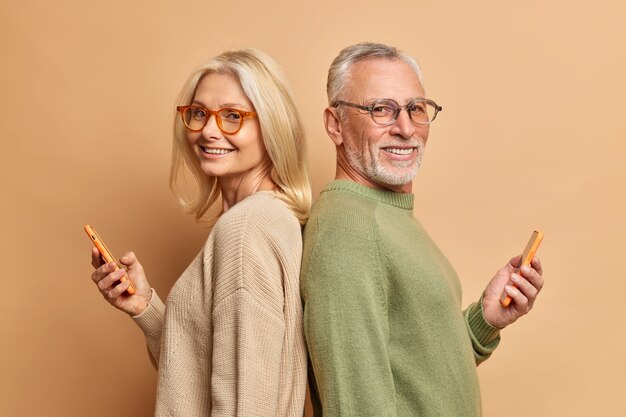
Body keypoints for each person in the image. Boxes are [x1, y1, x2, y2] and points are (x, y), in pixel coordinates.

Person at [300, 42, 544, 416]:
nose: (405, 128)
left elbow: (419, 374)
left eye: (415, 109)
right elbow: (357, 406)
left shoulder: (385, 212)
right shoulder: (348, 230)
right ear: (335, 125)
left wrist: (486, 320)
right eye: (381, 109)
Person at [90, 49, 310, 417]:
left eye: (232, 116)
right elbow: (203, 374)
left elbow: (249, 403)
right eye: (198, 113)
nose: (209, 130)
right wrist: (145, 308)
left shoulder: (245, 230)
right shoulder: (270, 218)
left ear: (272, 126)